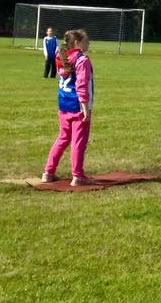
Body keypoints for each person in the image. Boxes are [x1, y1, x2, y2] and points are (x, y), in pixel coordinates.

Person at [41, 29, 95, 186]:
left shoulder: (62, 56)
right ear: (77, 43)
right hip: (77, 106)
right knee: (78, 141)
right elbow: (82, 85)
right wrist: (85, 108)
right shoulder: (82, 60)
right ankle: (78, 176)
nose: (88, 42)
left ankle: (48, 172)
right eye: (86, 40)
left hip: (63, 104)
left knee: (63, 138)